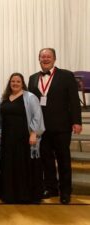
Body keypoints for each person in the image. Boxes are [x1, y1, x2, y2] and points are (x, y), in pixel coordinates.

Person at [28, 48, 82, 204]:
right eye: (42, 56)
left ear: (54, 58)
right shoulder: (32, 78)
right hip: (42, 128)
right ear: (39, 59)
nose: (45, 59)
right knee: (46, 160)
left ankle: (65, 191)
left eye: (48, 56)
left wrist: (76, 121)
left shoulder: (66, 75)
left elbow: (74, 100)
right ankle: (51, 188)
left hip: (61, 126)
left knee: (63, 159)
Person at [0, 73, 45, 204]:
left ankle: (24, 195)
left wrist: (34, 133)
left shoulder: (30, 97)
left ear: (22, 83)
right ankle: (10, 195)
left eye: (18, 81)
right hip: (8, 138)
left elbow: (37, 115)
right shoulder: (6, 97)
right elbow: (2, 117)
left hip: (24, 138)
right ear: (10, 83)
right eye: (12, 81)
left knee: (23, 166)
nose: (15, 83)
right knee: (9, 165)